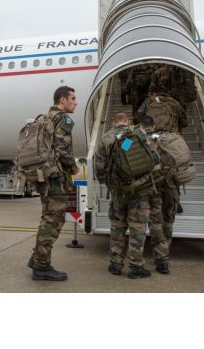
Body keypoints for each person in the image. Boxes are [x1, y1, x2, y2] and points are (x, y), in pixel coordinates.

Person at [94, 111, 160, 279]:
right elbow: (154, 158)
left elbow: (99, 166)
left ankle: (115, 264)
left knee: (117, 226)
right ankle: (136, 266)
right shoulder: (138, 134)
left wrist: (106, 182)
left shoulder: (106, 138)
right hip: (138, 190)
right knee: (137, 227)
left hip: (117, 191)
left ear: (113, 122)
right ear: (128, 121)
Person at [28, 86, 78, 281]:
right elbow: (63, 149)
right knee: (53, 220)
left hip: (45, 176)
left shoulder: (44, 117)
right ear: (63, 99)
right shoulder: (63, 119)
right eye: (72, 98)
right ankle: (41, 266)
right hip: (57, 177)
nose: (75, 102)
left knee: (48, 217)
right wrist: (73, 168)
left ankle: (37, 258)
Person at [138, 115, 171, 274]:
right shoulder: (163, 140)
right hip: (157, 189)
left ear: (140, 125)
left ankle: (136, 262)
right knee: (157, 225)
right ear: (153, 125)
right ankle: (162, 261)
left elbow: (122, 155)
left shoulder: (131, 140)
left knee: (137, 226)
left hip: (140, 189)